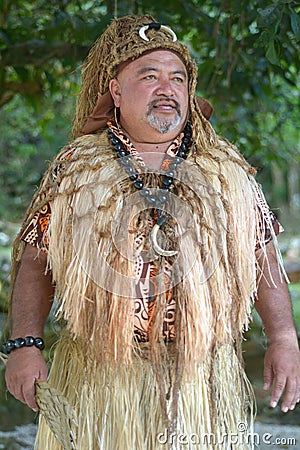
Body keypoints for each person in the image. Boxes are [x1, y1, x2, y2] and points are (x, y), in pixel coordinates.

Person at [3, 14, 299, 450]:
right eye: (150, 76)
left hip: (200, 382)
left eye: (177, 78)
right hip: (100, 379)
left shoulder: (227, 171)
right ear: (116, 92)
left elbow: (262, 255)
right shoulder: (75, 169)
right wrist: (25, 344)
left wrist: (283, 337)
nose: (167, 88)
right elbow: (36, 257)